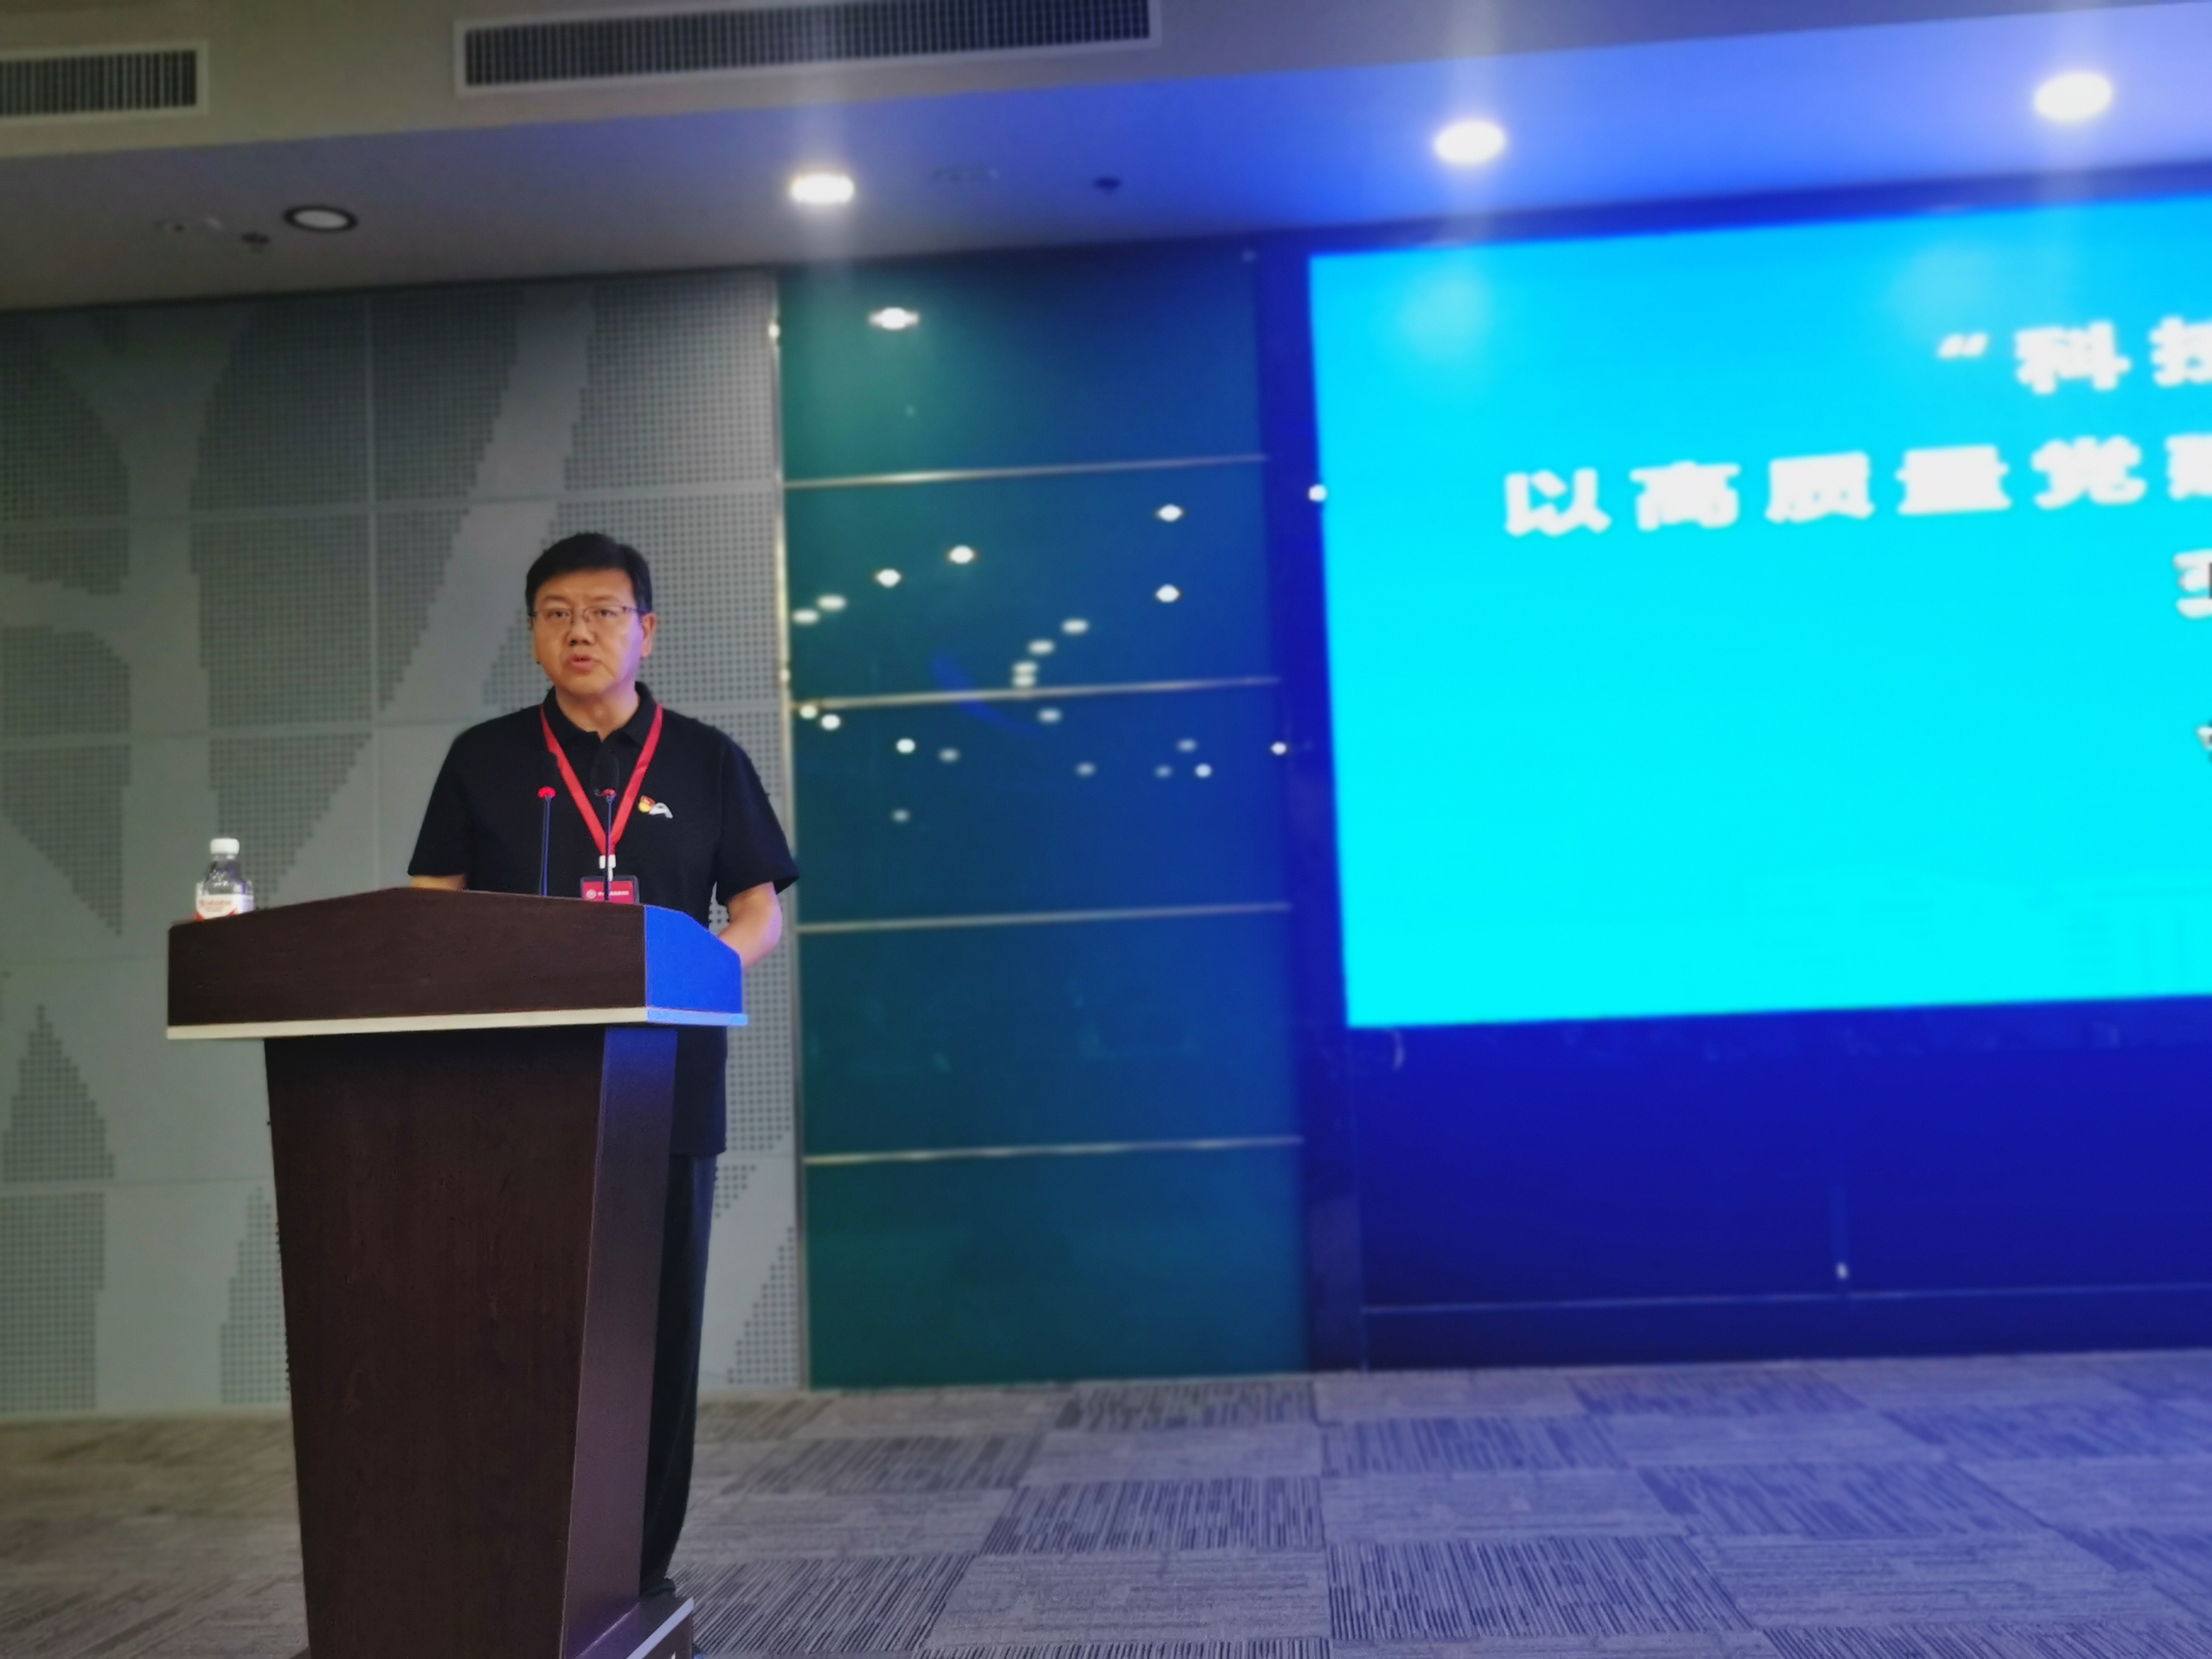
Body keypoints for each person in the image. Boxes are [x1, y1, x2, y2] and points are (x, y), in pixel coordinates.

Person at [407, 531, 796, 1597]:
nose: (580, 632)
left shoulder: (707, 759)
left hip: (664, 1087)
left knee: (654, 1332)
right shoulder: (484, 760)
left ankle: (637, 1569)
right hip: (512, 1093)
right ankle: (518, 1554)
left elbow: (759, 912)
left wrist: (695, 971)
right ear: (534, 635)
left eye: (604, 612)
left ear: (646, 631)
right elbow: (431, 914)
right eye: (556, 614)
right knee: (518, 1324)